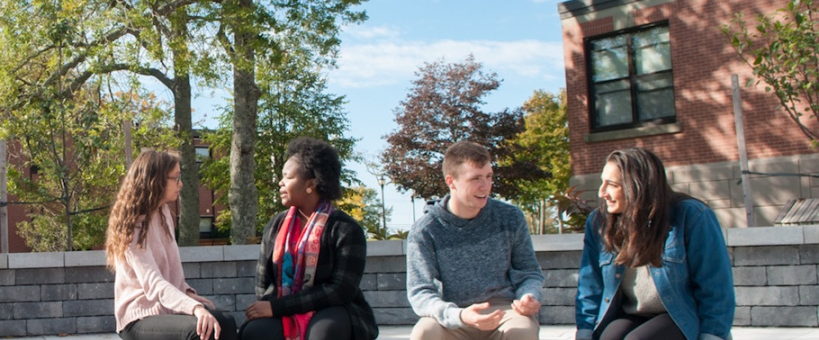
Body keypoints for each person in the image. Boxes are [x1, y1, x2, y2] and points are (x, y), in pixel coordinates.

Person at [574, 148, 735, 340]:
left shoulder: (692, 216)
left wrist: (712, 334)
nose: (602, 193)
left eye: (612, 185)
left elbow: (716, 285)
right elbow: (590, 283)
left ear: (637, 186)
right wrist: (585, 330)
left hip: (680, 316)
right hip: (631, 314)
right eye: (603, 183)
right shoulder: (599, 222)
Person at [240, 137, 378, 340]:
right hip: (281, 307)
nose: (281, 182)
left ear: (311, 183)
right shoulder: (276, 226)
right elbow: (263, 282)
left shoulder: (345, 229)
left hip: (335, 308)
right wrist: (268, 307)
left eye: (288, 177)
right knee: (257, 332)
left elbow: (340, 290)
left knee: (323, 333)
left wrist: (277, 307)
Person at [407, 141, 544, 340]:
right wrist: (459, 315)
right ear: (451, 181)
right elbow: (420, 291)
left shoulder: (510, 217)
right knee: (424, 333)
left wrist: (529, 296)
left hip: (505, 312)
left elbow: (529, 271)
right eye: (476, 178)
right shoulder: (426, 231)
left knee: (523, 331)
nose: (485, 186)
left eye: (489, 177)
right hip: (456, 315)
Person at [106, 149, 236, 340]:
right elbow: (154, 284)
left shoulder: (163, 214)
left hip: (166, 309)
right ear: (155, 181)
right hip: (138, 318)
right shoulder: (131, 226)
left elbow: (174, 275)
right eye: (176, 178)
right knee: (197, 332)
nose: (180, 184)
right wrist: (194, 308)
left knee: (225, 322)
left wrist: (190, 297)